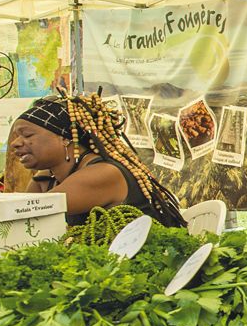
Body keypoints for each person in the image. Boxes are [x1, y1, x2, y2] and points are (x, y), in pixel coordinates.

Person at [11, 94, 187, 228]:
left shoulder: (102, 173)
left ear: (65, 138)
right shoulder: (47, 178)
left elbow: (25, 216)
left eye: (27, 135)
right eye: (16, 136)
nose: (16, 143)